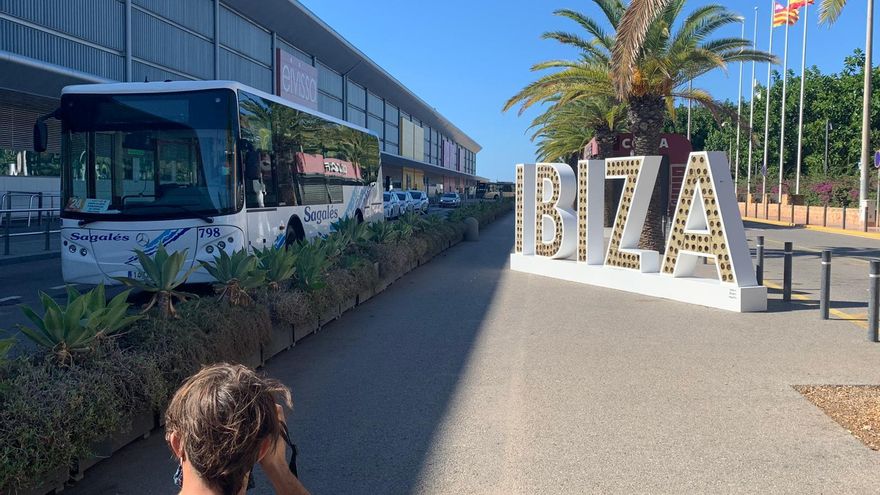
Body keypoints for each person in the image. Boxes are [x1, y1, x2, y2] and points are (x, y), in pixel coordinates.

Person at [165, 363, 310, 495]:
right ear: (262, 450)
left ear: (177, 443)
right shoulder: (263, 450)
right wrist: (278, 467)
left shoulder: (179, 443)